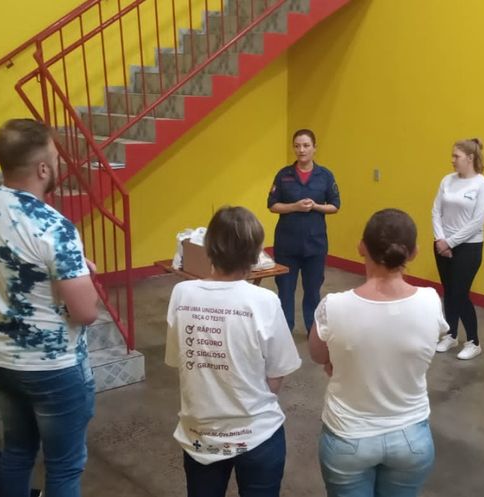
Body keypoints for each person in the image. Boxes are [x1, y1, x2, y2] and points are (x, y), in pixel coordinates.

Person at [0, 119, 99, 497]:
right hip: (53, 367)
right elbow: (85, 312)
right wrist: (83, 279)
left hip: (0, 358)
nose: (57, 164)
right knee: (64, 466)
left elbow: (9, 264)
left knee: (17, 452)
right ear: (42, 168)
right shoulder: (54, 226)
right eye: (55, 158)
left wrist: (66, 272)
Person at [309, 209, 447, 497]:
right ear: (414, 252)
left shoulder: (333, 307)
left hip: (348, 437)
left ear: (361, 247)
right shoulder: (431, 301)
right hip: (412, 439)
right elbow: (419, 349)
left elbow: (318, 356)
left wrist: (344, 359)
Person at [165, 206, 302, 497]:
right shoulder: (265, 301)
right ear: (256, 254)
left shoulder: (182, 294)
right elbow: (276, 374)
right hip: (257, 434)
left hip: (200, 436)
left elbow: (179, 360)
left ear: (209, 248)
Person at [267, 129, 340, 334]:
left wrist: (315, 206)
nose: (301, 150)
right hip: (287, 245)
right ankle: (284, 331)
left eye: (306, 145)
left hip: (315, 245)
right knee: (285, 291)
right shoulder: (284, 175)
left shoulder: (325, 176)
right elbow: (272, 205)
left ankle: (313, 331)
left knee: (313, 291)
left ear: (314, 148)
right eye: (297, 146)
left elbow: (335, 206)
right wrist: (295, 207)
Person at [432, 138, 484, 360]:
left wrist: (451, 242)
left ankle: (474, 342)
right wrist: (440, 239)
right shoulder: (447, 180)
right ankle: (451, 334)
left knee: (460, 293)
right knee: (449, 292)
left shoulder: (482, 185)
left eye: (456, 156)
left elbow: (477, 221)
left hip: (468, 247)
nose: (452, 160)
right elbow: (436, 211)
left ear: (470, 158)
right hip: (442, 244)